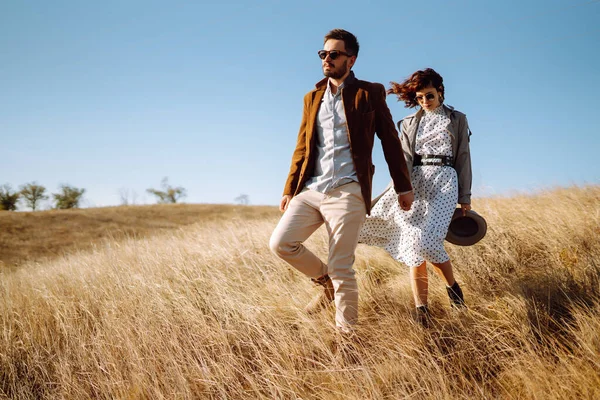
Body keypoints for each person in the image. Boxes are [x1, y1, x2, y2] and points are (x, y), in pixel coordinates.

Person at [269, 29, 413, 333]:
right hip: (311, 189)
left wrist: (403, 186)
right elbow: (302, 146)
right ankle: (326, 284)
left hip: (348, 190)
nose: (327, 59)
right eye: (323, 54)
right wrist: (289, 189)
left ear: (351, 59)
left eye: (334, 54)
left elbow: (389, 140)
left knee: (342, 267)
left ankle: (346, 340)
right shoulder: (312, 98)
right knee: (281, 243)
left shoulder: (369, 92)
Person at [359, 68, 472, 324]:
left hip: (445, 181)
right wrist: (400, 188)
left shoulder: (457, 119)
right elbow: (405, 159)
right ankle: (422, 310)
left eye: (429, 96)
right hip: (415, 182)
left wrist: (465, 196)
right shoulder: (409, 122)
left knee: (426, 240)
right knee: (413, 244)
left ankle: (453, 288)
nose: (425, 101)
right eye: (420, 97)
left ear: (440, 92)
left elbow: (463, 156)